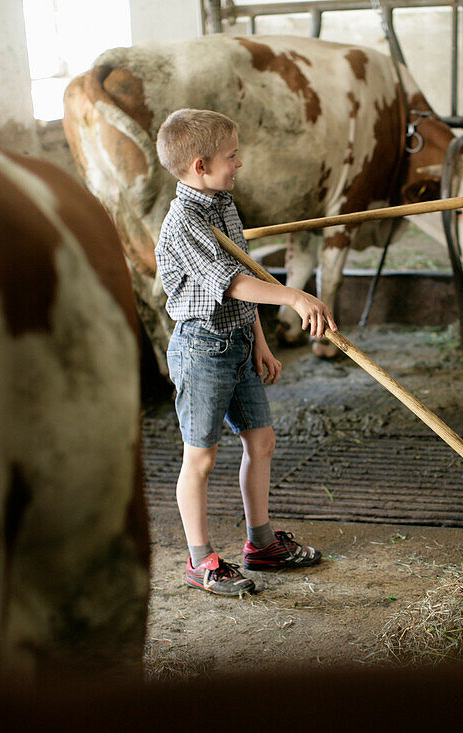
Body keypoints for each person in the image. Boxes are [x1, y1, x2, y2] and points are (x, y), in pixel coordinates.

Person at [155, 108, 335, 596]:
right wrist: (295, 296)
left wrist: (260, 341)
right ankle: (202, 561)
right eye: (232, 156)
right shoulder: (183, 222)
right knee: (202, 457)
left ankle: (260, 543)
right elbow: (231, 283)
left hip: (238, 343)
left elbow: (246, 271)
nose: (239, 164)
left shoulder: (223, 203)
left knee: (262, 441)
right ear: (199, 165)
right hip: (202, 350)